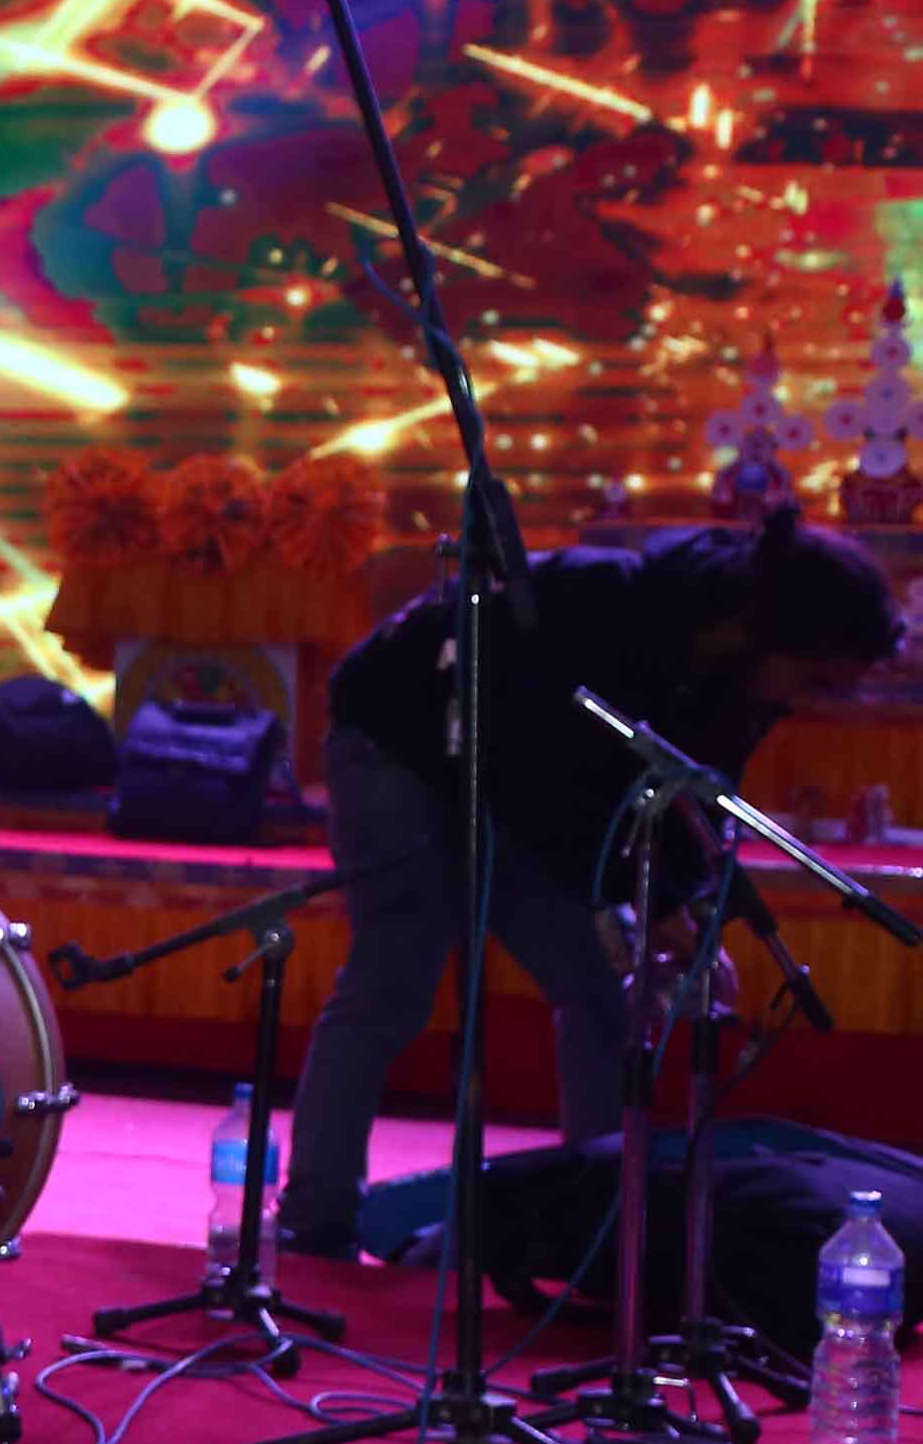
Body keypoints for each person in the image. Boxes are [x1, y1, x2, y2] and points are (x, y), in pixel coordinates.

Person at [278, 504, 901, 1255]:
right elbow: (548, 786)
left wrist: (689, 907)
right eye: (812, 677)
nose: (805, 700)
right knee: (394, 979)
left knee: (603, 990)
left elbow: (693, 794)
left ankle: (592, 1226)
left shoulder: (742, 678)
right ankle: (316, 1215)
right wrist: (648, 905)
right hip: (401, 749)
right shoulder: (599, 603)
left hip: (522, 793)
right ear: (761, 630)